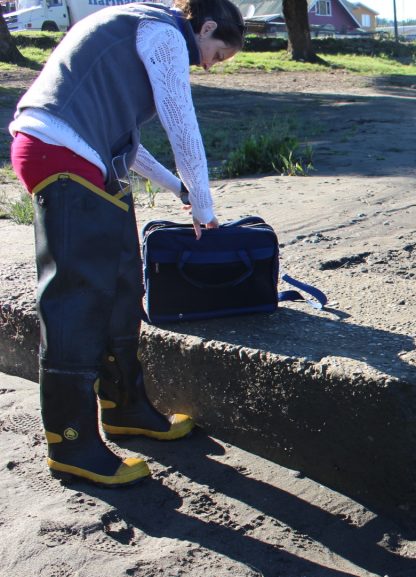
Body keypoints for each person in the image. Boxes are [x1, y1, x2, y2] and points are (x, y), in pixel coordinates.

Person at [8, 0, 245, 486]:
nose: (208, 66)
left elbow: (128, 145)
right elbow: (182, 122)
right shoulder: (162, 33)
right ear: (205, 27)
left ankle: (126, 407)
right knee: (76, 301)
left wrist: (177, 190)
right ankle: (71, 443)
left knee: (120, 284)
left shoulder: (139, 28)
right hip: (59, 152)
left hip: (79, 154)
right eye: (217, 55)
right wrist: (204, 204)